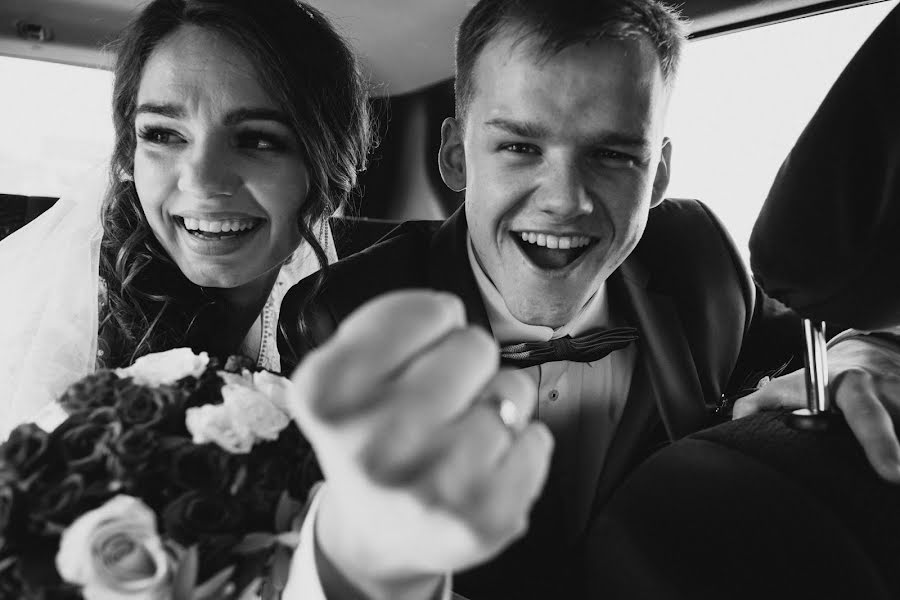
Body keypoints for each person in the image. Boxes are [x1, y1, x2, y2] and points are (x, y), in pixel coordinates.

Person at [277, 0, 900, 598]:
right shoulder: (344, 314)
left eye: (612, 155)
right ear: (455, 158)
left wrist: (857, 357)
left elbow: (809, 355)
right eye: (520, 147)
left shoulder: (700, 260)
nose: (565, 199)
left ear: (657, 174)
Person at [0, 0, 372, 434]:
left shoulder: (350, 319)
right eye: (162, 134)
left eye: (258, 140)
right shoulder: (61, 327)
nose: (200, 182)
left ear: (330, 164)